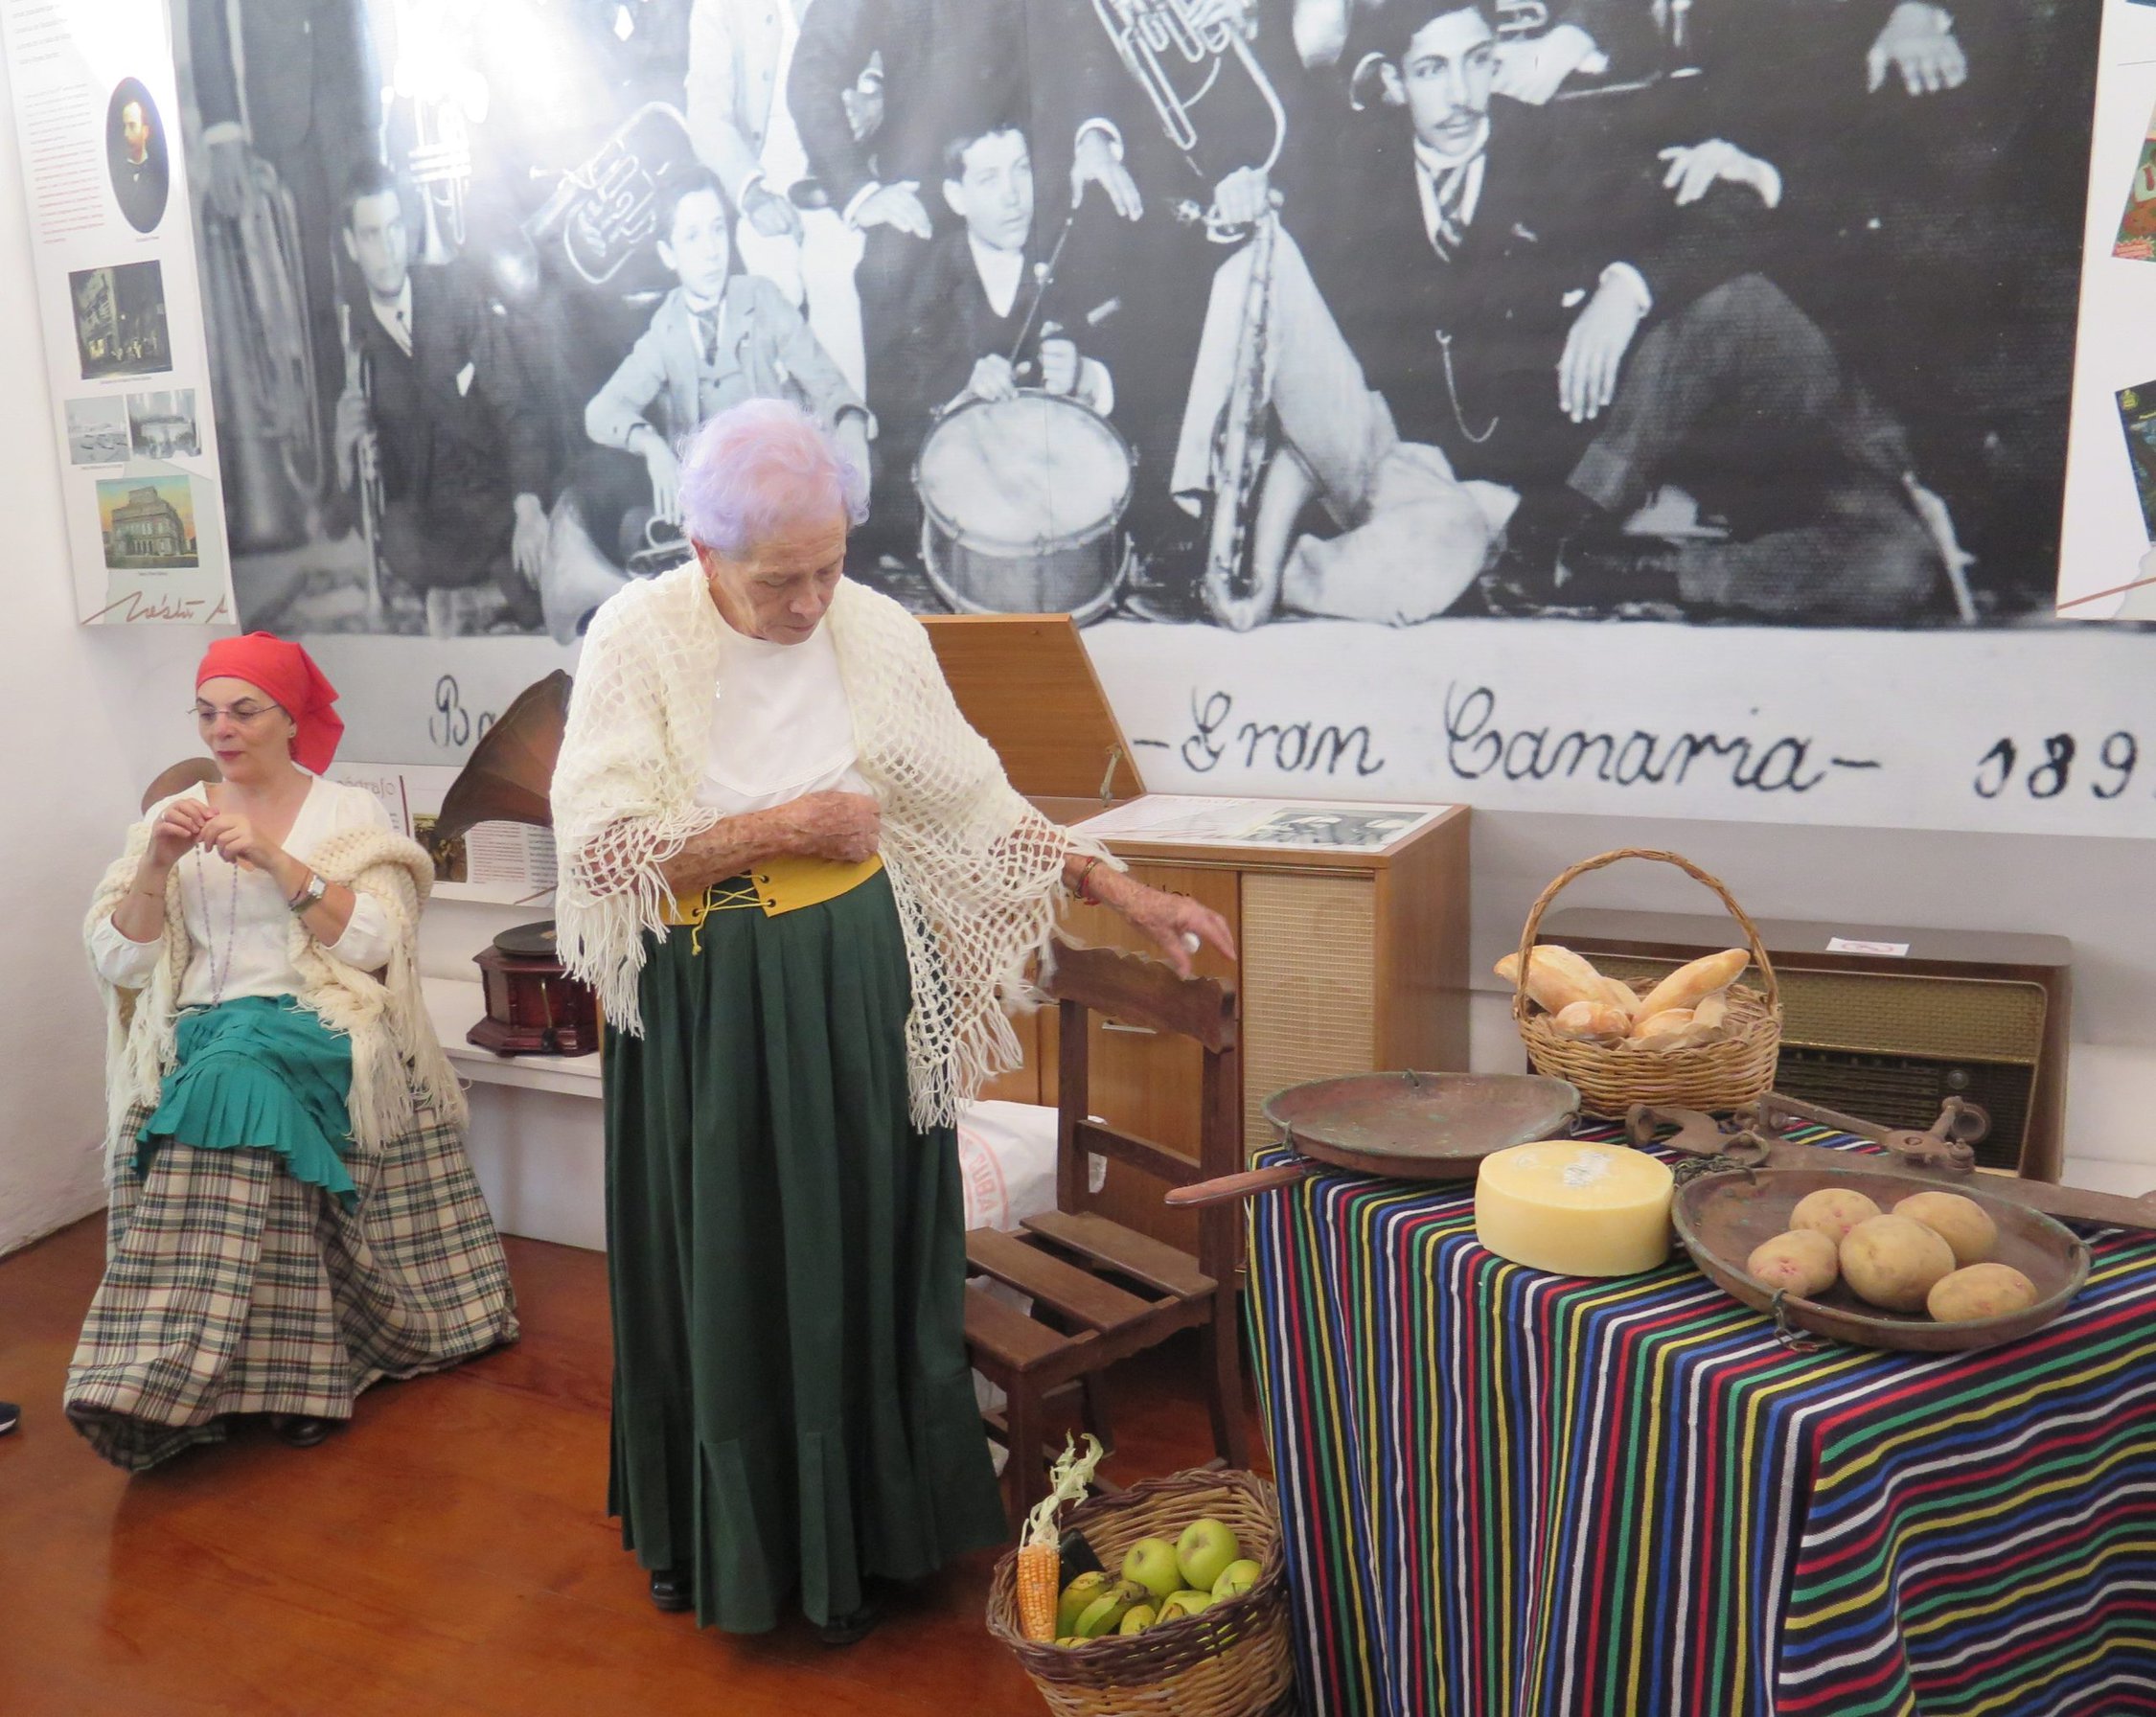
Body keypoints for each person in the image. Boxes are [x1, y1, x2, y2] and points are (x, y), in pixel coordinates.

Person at [549, 398, 1230, 1643]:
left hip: (860, 976)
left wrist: (1118, 887)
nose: (810, 603)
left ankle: (879, 1527)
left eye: (829, 565)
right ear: (701, 552)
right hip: (715, 992)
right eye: (779, 581)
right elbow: (600, 854)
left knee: (871, 1246)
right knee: (741, 1259)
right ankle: (743, 1545)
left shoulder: (872, 629)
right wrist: (782, 827)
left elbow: (974, 798)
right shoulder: (635, 639)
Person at [1267, 0, 1957, 624]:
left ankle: (1617, 567)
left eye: (1477, 64)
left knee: (1897, 566)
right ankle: (1557, 549)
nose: (1460, 96)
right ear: (1391, 83)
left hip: (1595, 466)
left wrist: (1624, 291)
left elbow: (1726, 213)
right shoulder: (1355, 183)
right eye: (1431, 71)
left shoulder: (1557, 146)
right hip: (1466, 473)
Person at [71, 634, 517, 1471]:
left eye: (243, 711)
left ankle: (153, 1374)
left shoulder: (346, 814)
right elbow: (119, 961)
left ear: (290, 718)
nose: (222, 730)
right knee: (233, 1082)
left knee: (227, 1087)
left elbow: (376, 942)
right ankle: (301, 1381)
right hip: (207, 1026)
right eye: (207, 713)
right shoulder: (167, 819)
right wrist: (157, 866)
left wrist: (281, 863)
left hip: (320, 1018)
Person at [857, 117, 1116, 567]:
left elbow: (1134, 372)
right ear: (957, 197)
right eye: (989, 179)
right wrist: (962, 384)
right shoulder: (931, 275)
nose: (1013, 196)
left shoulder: (1065, 255)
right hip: (966, 495)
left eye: (1021, 170)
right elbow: (899, 397)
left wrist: (1084, 374)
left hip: (1044, 489)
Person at [334, 163, 551, 632]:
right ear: (352, 246)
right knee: (401, 541)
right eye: (371, 235)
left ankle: (479, 596)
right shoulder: (359, 347)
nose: (388, 249)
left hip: (498, 496)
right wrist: (345, 456)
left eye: (394, 229)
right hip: (436, 524)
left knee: (549, 512)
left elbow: (513, 402)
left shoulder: (455, 293)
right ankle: (501, 589)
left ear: (408, 232)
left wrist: (529, 503)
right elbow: (369, 506)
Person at [685, 0, 874, 396]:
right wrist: (751, 192)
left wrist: (873, 101)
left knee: (838, 275)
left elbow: (888, 49)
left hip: (839, 164)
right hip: (763, 169)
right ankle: (781, 438)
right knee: (770, 288)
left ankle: (850, 440)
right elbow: (705, 113)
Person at [109, 92, 169, 234]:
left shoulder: (160, 174)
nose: (125, 133)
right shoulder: (114, 176)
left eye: (132, 126)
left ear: (145, 131)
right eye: (124, 126)